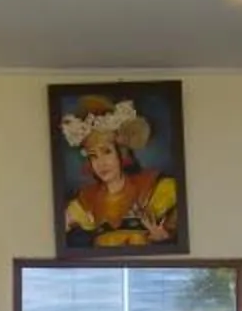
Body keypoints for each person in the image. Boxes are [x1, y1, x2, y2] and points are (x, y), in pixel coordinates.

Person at [59, 97, 178, 248]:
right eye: (93, 156)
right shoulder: (87, 200)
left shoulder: (153, 189)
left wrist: (165, 237)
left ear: (122, 153)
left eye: (107, 152)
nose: (101, 163)